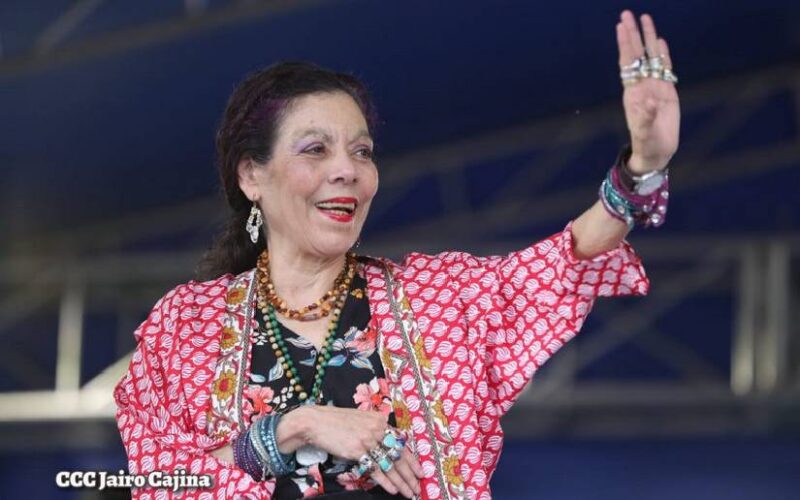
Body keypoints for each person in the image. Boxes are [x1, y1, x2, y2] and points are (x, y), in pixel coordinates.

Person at [114, 10, 679, 500]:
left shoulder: (439, 302)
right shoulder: (184, 327)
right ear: (251, 175)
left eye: (362, 151)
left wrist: (642, 169)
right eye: (316, 149)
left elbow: (563, 262)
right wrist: (292, 429)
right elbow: (159, 484)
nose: (347, 169)